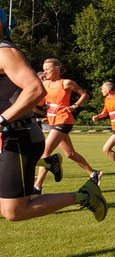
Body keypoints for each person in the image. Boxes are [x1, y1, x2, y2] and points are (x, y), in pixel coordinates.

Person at [0, 7, 106, 223]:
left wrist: (2, 120)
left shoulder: (4, 52)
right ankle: (48, 162)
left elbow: (35, 90)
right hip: (12, 134)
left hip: (17, 137)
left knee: (14, 212)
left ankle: (85, 195)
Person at [33, 58, 102, 195]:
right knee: (70, 153)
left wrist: (74, 106)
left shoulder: (66, 83)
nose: (44, 72)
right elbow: (40, 103)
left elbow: (84, 94)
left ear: (57, 70)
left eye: (47, 69)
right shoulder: (45, 84)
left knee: (45, 153)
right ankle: (94, 173)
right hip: (53, 122)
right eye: (44, 69)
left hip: (64, 121)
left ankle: (37, 188)